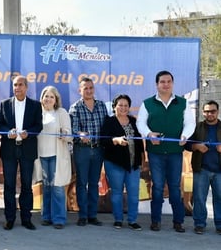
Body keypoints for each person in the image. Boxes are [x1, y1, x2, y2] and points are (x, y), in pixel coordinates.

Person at [136, 70, 195, 232]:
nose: (166, 84)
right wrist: (148, 134)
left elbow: (190, 123)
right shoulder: (147, 103)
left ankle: (178, 221)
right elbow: (141, 123)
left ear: (172, 83)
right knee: (157, 186)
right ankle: (155, 221)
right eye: (162, 82)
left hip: (176, 152)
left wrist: (185, 135)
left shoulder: (182, 103)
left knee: (175, 187)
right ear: (157, 84)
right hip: (155, 153)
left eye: (169, 81)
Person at [0, 75, 43, 230]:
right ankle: (9, 218)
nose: (17, 88)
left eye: (20, 85)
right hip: (9, 149)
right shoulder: (4, 104)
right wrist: (6, 131)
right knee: (9, 185)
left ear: (26, 87)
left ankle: (26, 218)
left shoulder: (35, 105)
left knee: (26, 185)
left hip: (27, 150)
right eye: (15, 85)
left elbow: (38, 126)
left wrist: (28, 133)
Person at [100, 94, 144, 230]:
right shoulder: (109, 121)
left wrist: (142, 158)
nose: (123, 108)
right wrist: (115, 140)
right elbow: (103, 140)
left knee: (133, 193)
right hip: (115, 163)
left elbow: (139, 141)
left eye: (126, 105)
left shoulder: (133, 121)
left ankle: (132, 220)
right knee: (117, 192)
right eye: (120, 105)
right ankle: (118, 219)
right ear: (114, 107)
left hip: (133, 163)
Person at [69, 77, 108, 226]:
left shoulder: (101, 106)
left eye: (91, 88)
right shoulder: (75, 108)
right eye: (86, 88)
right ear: (80, 90)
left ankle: (92, 215)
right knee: (81, 183)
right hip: (82, 150)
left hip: (98, 150)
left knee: (94, 183)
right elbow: (72, 130)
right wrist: (79, 135)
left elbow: (106, 126)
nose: (89, 90)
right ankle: (82, 215)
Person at [36, 86, 72, 229]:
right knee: (46, 187)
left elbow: (69, 133)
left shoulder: (61, 113)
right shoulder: (38, 113)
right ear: (42, 98)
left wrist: (65, 134)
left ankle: (59, 219)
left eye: (52, 97)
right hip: (42, 156)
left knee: (57, 187)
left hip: (57, 156)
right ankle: (46, 216)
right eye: (46, 96)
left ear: (56, 99)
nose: (48, 99)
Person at [186, 100, 221, 235]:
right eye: (207, 111)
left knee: (220, 198)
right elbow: (187, 144)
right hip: (201, 169)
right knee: (199, 198)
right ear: (203, 112)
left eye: (212, 111)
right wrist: (196, 146)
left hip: (219, 170)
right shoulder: (197, 127)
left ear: (217, 112)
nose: (210, 114)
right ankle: (199, 224)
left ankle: (219, 225)